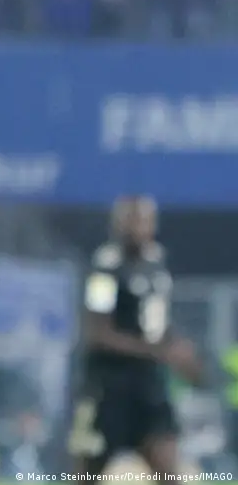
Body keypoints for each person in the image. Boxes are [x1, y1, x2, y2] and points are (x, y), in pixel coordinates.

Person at [69, 195, 202, 484]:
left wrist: (180, 350)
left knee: (169, 469)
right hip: (108, 385)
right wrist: (156, 351)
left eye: (143, 220)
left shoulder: (157, 265)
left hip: (148, 384)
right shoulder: (105, 269)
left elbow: (156, 322)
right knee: (87, 473)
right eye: (131, 220)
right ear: (117, 224)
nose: (137, 227)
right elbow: (98, 333)